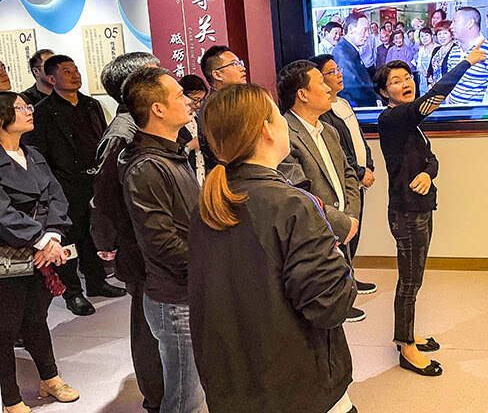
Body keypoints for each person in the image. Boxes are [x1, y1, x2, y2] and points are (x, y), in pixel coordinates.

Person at [189, 83, 357, 413]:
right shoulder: (292, 205)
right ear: (267, 129)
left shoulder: (208, 204)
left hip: (232, 383)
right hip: (299, 386)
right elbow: (330, 305)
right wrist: (339, 262)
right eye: (278, 114)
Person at [373, 44, 486, 377]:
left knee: (415, 279)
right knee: (409, 283)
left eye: (407, 77)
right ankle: (405, 346)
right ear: (384, 92)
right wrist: (466, 62)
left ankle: (407, 334)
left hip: (421, 208)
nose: (405, 82)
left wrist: (427, 173)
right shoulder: (393, 118)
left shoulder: (411, 123)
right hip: (406, 212)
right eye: (395, 81)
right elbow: (435, 97)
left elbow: (431, 159)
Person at [119, 67, 206, 413]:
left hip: (188, 289)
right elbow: (161, 242)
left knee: (192, 394)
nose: (188, 101)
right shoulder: (147, 166)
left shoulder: (171, 154)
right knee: (185, 400)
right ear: (157, 109)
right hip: (174, 298)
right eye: (179, 96)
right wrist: (208, 267)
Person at [25, 55, 125, 316]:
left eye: (76, 69)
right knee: (70, 238)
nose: (75, 74)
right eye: (67, 71)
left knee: (94, 232)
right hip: (64, 183)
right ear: (51, 78)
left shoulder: (91, 104)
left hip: (93, 179)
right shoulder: (43, 111)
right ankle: (73, 293)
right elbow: (39, 153)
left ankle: (96, 281)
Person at [92, 52, 165, 413]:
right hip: (140, 244)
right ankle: (156, 398)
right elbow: (104, 195)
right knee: (148, 324)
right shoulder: (124, 132)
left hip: (153, 242)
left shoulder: (148, 123)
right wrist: (106, 242)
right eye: (157, 72)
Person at [276, 60, 376, 323]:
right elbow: (299, 192)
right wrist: (342, 223)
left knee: (338, 292)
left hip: (343, 223)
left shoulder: (328, 130)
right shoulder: (284, 134)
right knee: (320, 309)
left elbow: (348, 174)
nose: (329, 88)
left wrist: (351, 216)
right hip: (314, 233)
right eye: (321, 82)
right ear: (303, 94)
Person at [0, 92, 79, 413]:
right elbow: (2, 213)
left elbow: (56, 197)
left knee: (36, 318)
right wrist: (40, 239)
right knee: (5, 328)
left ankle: (50, 378)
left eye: (27, 105)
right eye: (19, 107)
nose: (28, 111)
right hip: (10, 254)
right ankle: (11, 398)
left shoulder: (33, 153)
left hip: (43, 250)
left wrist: (52, 236)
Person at [310, 54, 375, 260]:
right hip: (347, 181)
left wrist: (369, 165)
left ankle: (350, 273)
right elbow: (338, 150)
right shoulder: (323, 112)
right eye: (331, 72)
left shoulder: (344, 103)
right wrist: (360, 172)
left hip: (358, 183)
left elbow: (358, 138)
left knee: (355, 233)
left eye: (338, 70)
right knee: (344, 236)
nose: (339, 75)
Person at [198, 45, 247, 172]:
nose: (242, 68)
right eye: (234, 64)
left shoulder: (233, 101)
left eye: (240, 63)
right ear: (217, 74)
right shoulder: (215, 107)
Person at [446, 7, 488, 104]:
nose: (451, 26)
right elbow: (449, 83)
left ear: (470, 23)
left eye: (455, 21)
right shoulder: (454, 51)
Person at [332, 12, 378, 108]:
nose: (367, 35)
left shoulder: (349, 50)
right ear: (351, 29)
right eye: (364, 30)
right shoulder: (342, 53)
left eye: (368, 30)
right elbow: (353, 88)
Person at [178, 74, 208, 185]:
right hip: (185, 179)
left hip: (202, 177)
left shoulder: (198, 118)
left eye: (202, 100)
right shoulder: (174, 121)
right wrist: (190, 146)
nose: (198, 105)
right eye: (196, 100)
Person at [427, 20, 456, 88]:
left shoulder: (455, 49)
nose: (441, 36)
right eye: (439, 34)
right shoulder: (436, 50)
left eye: (445, 33)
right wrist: (429, 84)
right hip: (434, 88)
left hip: (448, 89)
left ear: (451, 35)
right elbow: (430, 71)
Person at [412, 27, 437, 96]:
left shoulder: (438, 48)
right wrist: (421, 70)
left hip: (435, 81)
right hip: (423, 81)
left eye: (427, 35)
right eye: (422, 36)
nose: (424, 38)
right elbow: (417, 65)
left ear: (431, 36)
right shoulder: (421, 50)